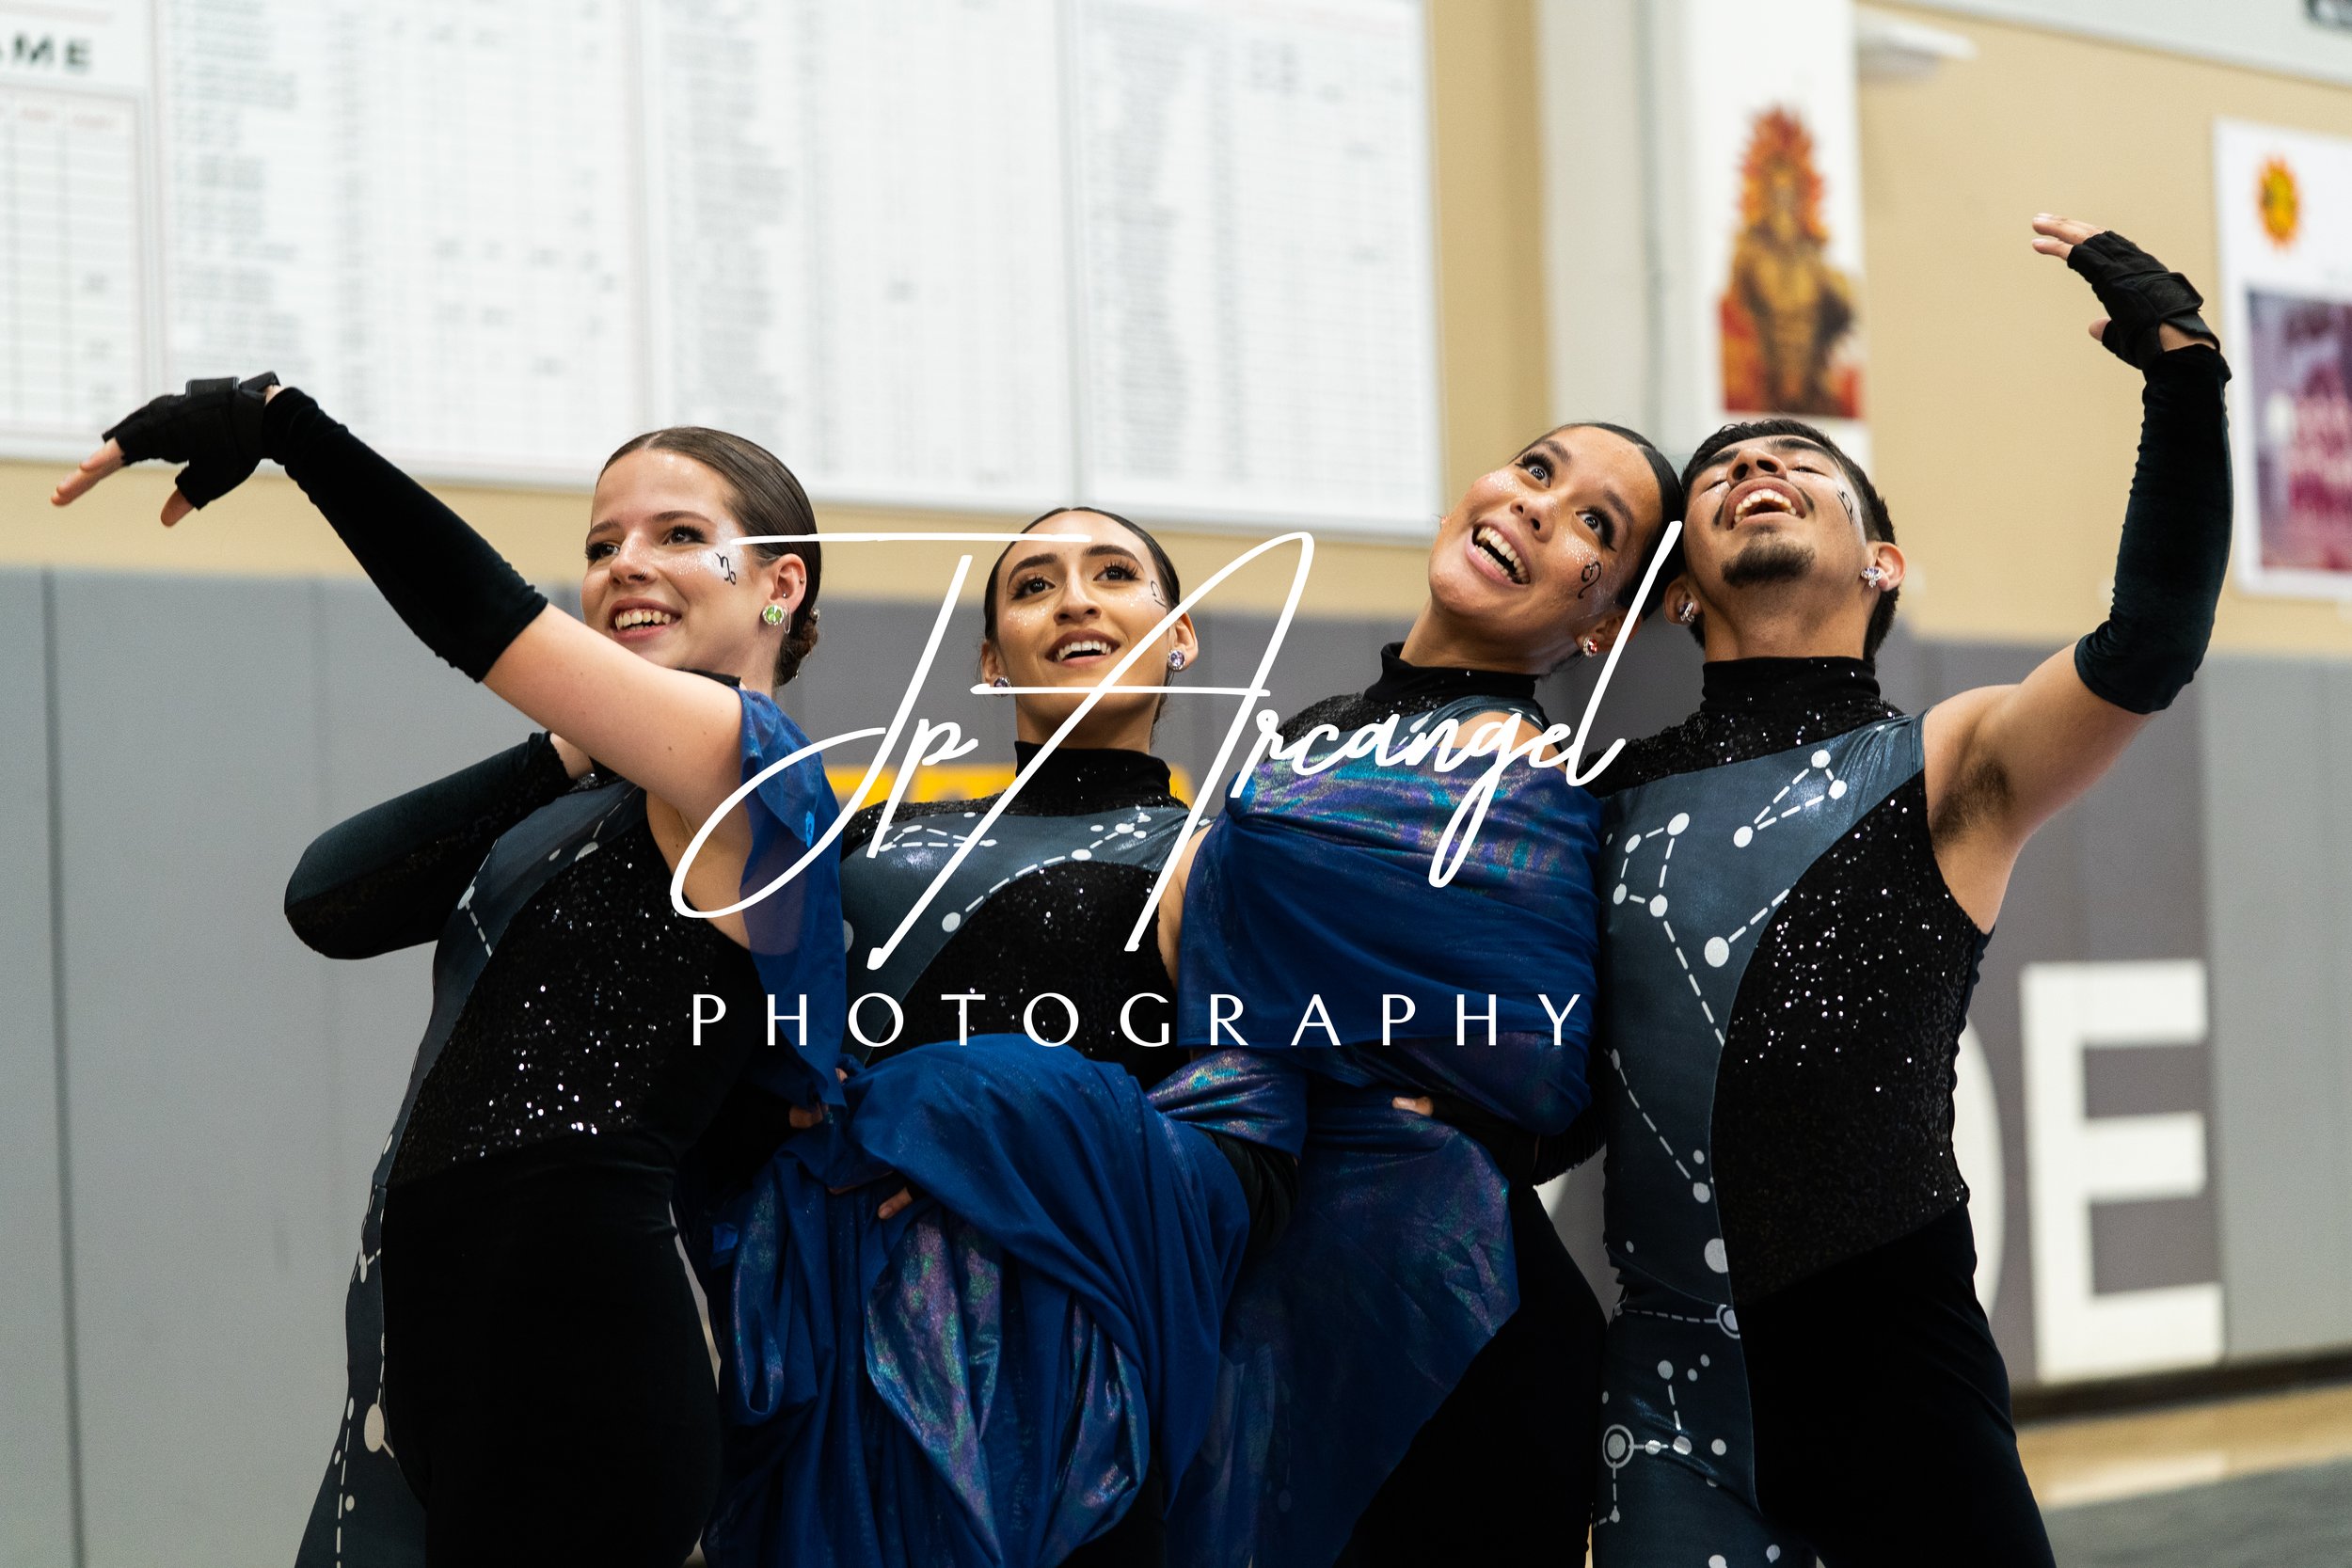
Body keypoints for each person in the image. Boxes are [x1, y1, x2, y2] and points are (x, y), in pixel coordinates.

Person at [53, 391, 848, 1567]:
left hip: (578, 1355)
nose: (626, 564)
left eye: (679, 534)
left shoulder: (751, 767)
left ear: (780, 585)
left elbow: (478, 616)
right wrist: (568, 739)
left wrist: (289, 430)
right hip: (420, 1337)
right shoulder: (592, 794)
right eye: (602, 543)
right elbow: (331, 898)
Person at [1587, 216, 2230, 1567]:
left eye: (1799, 462)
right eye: (1721, 472)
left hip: (1894, 1373)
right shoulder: (1602, 792)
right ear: (1677, 588)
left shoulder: (1952, 762)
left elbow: (2150, 640)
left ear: (1881, 560)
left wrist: (2183, 376)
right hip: (1670, 1398)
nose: (1755, 468)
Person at [703, 511, 1303, 1568]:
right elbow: (738, 1053)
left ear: (1180, 635)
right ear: (989, 660)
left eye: (1112, 574)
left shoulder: (1219, 860)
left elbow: (1252, 1159)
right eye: (1033, 585)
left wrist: (974, 1115)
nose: (1073, 599)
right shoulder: (864, 835)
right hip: (837, 1326)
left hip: (1065, 1381)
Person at [1168, 421, 1680, 1568]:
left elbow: (1555, 1077)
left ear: (1602, 624)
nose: (1539, 505)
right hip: (1272, 1281)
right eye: (1537, 469)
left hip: (1447, 1318)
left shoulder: (1535, 774)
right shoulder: (1314, 731)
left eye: (1595, 524)